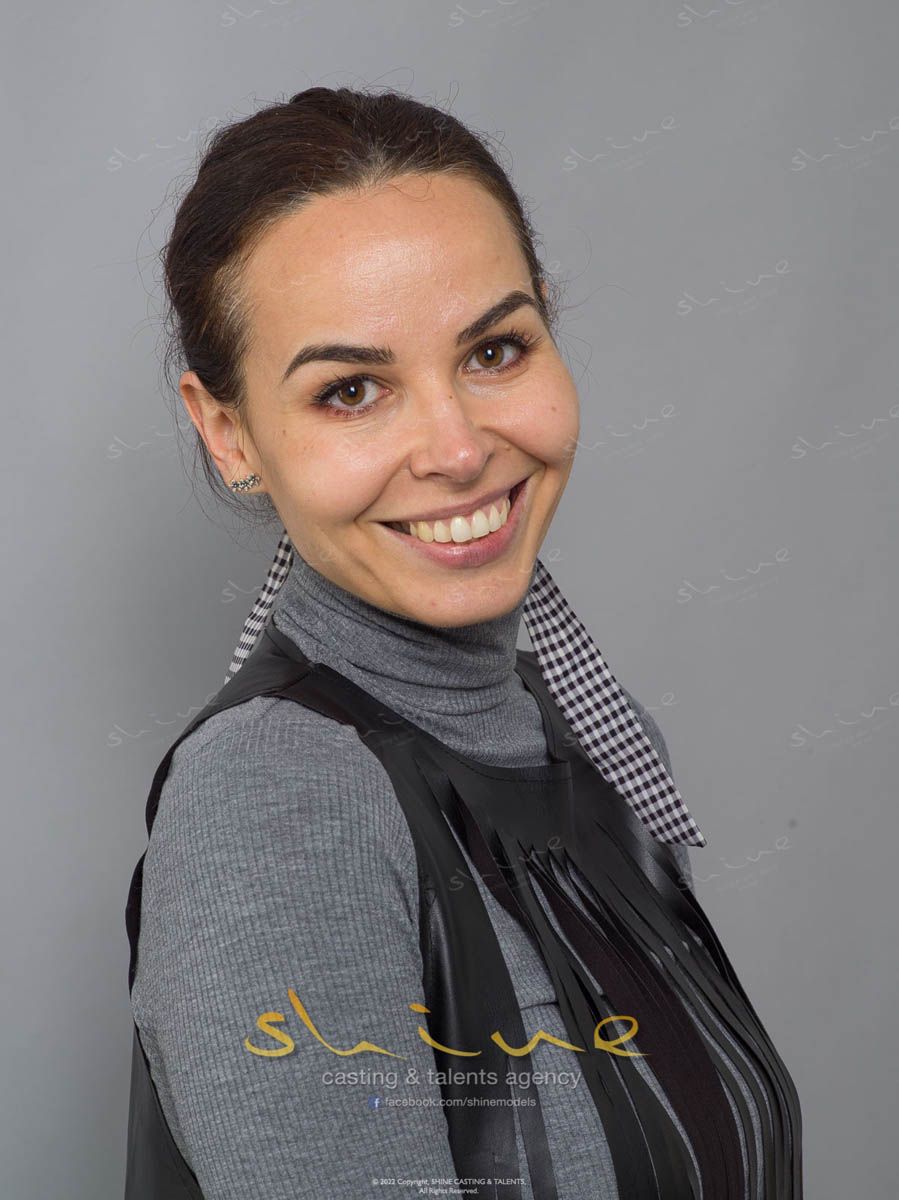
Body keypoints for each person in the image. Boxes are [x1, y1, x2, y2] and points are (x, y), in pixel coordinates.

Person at [124, 86, 802, 1199]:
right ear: (228, 432)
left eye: (493, 350)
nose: (455, 448)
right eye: (352, 390)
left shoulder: (589, 732)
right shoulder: (278, 800)